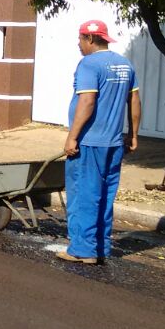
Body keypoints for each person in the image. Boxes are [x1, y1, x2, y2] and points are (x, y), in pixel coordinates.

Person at [58, 20, 141, 264]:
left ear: (90, 39)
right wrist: (134, 135)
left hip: (89, 142)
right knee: (105, 195)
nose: (79, 44)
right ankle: (101, 247)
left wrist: (72, 137)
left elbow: (87, 102)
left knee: (84, 194)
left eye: (80, 39)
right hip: (114, 143)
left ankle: (83, 250)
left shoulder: (88, 65)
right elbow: (134, 101)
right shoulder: (125, 65)